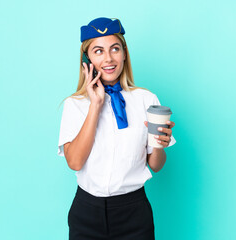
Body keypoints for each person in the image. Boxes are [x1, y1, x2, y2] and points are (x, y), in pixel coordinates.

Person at [57, 17, 176, 240]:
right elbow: (74, 162)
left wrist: (160, 145)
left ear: (124, 53)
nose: (109, 58)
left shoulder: (146, 100)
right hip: (86, 211)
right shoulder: (74, 105)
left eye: (114, 49)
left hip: (134, 212)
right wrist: (96, 104)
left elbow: (156, 165)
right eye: (98, 51)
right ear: (86, 59)